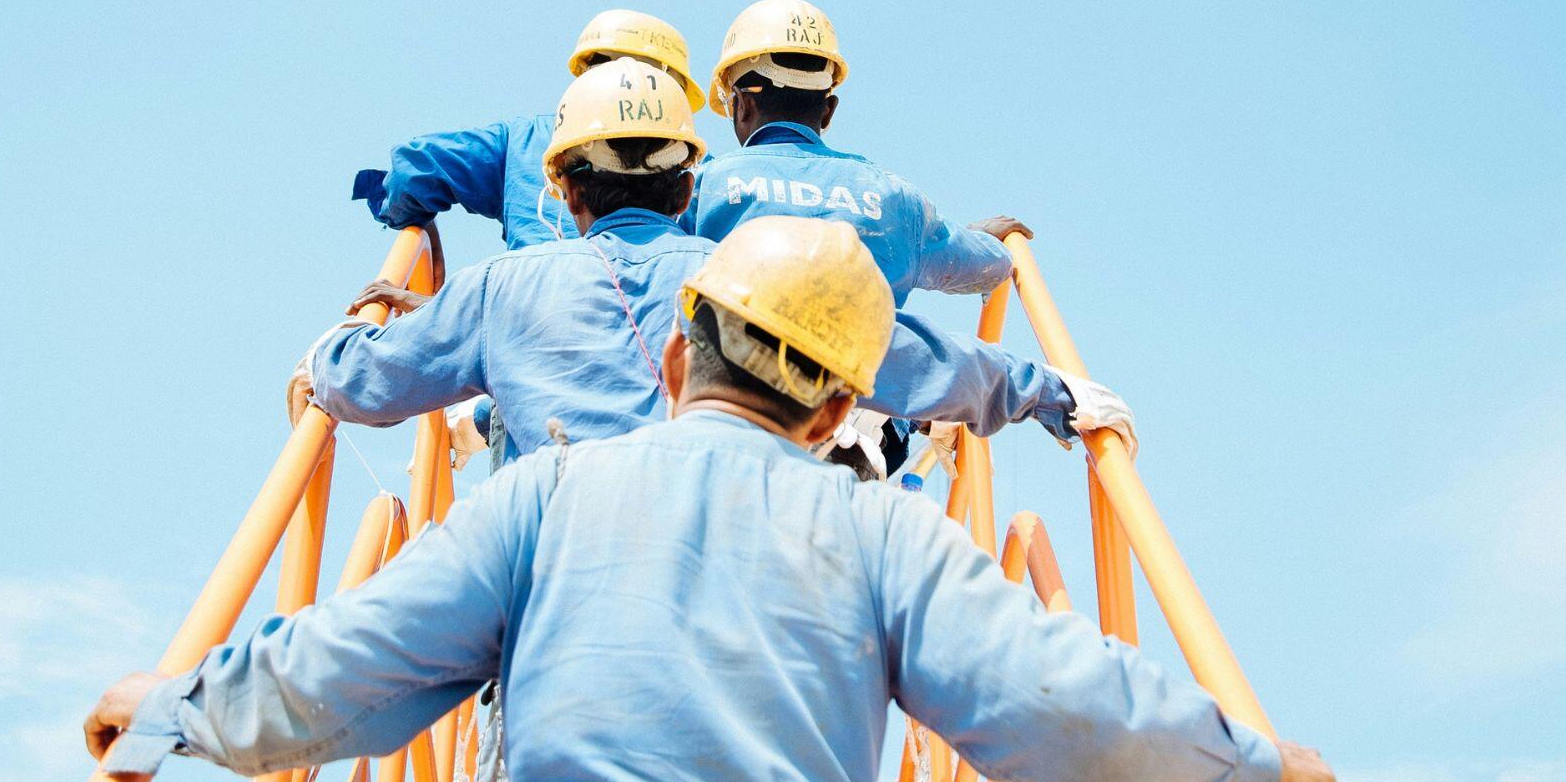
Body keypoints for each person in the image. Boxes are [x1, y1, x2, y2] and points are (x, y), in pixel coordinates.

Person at [87, 216, 1330, 782]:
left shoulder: (545, 495)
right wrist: (1260, 767)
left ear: (677, 356)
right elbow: (1053, 701)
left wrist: (172, 707)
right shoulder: (884, 524)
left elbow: (355, 663)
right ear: (841, 413)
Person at [288, 59, 1132, 466]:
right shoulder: (753, 282)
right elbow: (909, 356)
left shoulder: (498, 290)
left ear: (564, 187)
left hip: (550, 618)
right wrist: (1050, 391)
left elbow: (365, 385)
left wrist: (340, 345)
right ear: (689, 174)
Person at [693, 0, 1025, 305]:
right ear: (828, 110)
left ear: (742, 104)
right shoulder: (894, 198)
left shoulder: (702, 187)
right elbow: (983, 265)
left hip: (732, 365)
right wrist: (985, 242)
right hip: (865, 366)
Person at [351, 9, 706, 252]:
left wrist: (414, 221)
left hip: (526, 327)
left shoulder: (520, 143)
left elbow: (414, 170)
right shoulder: (696, 169)